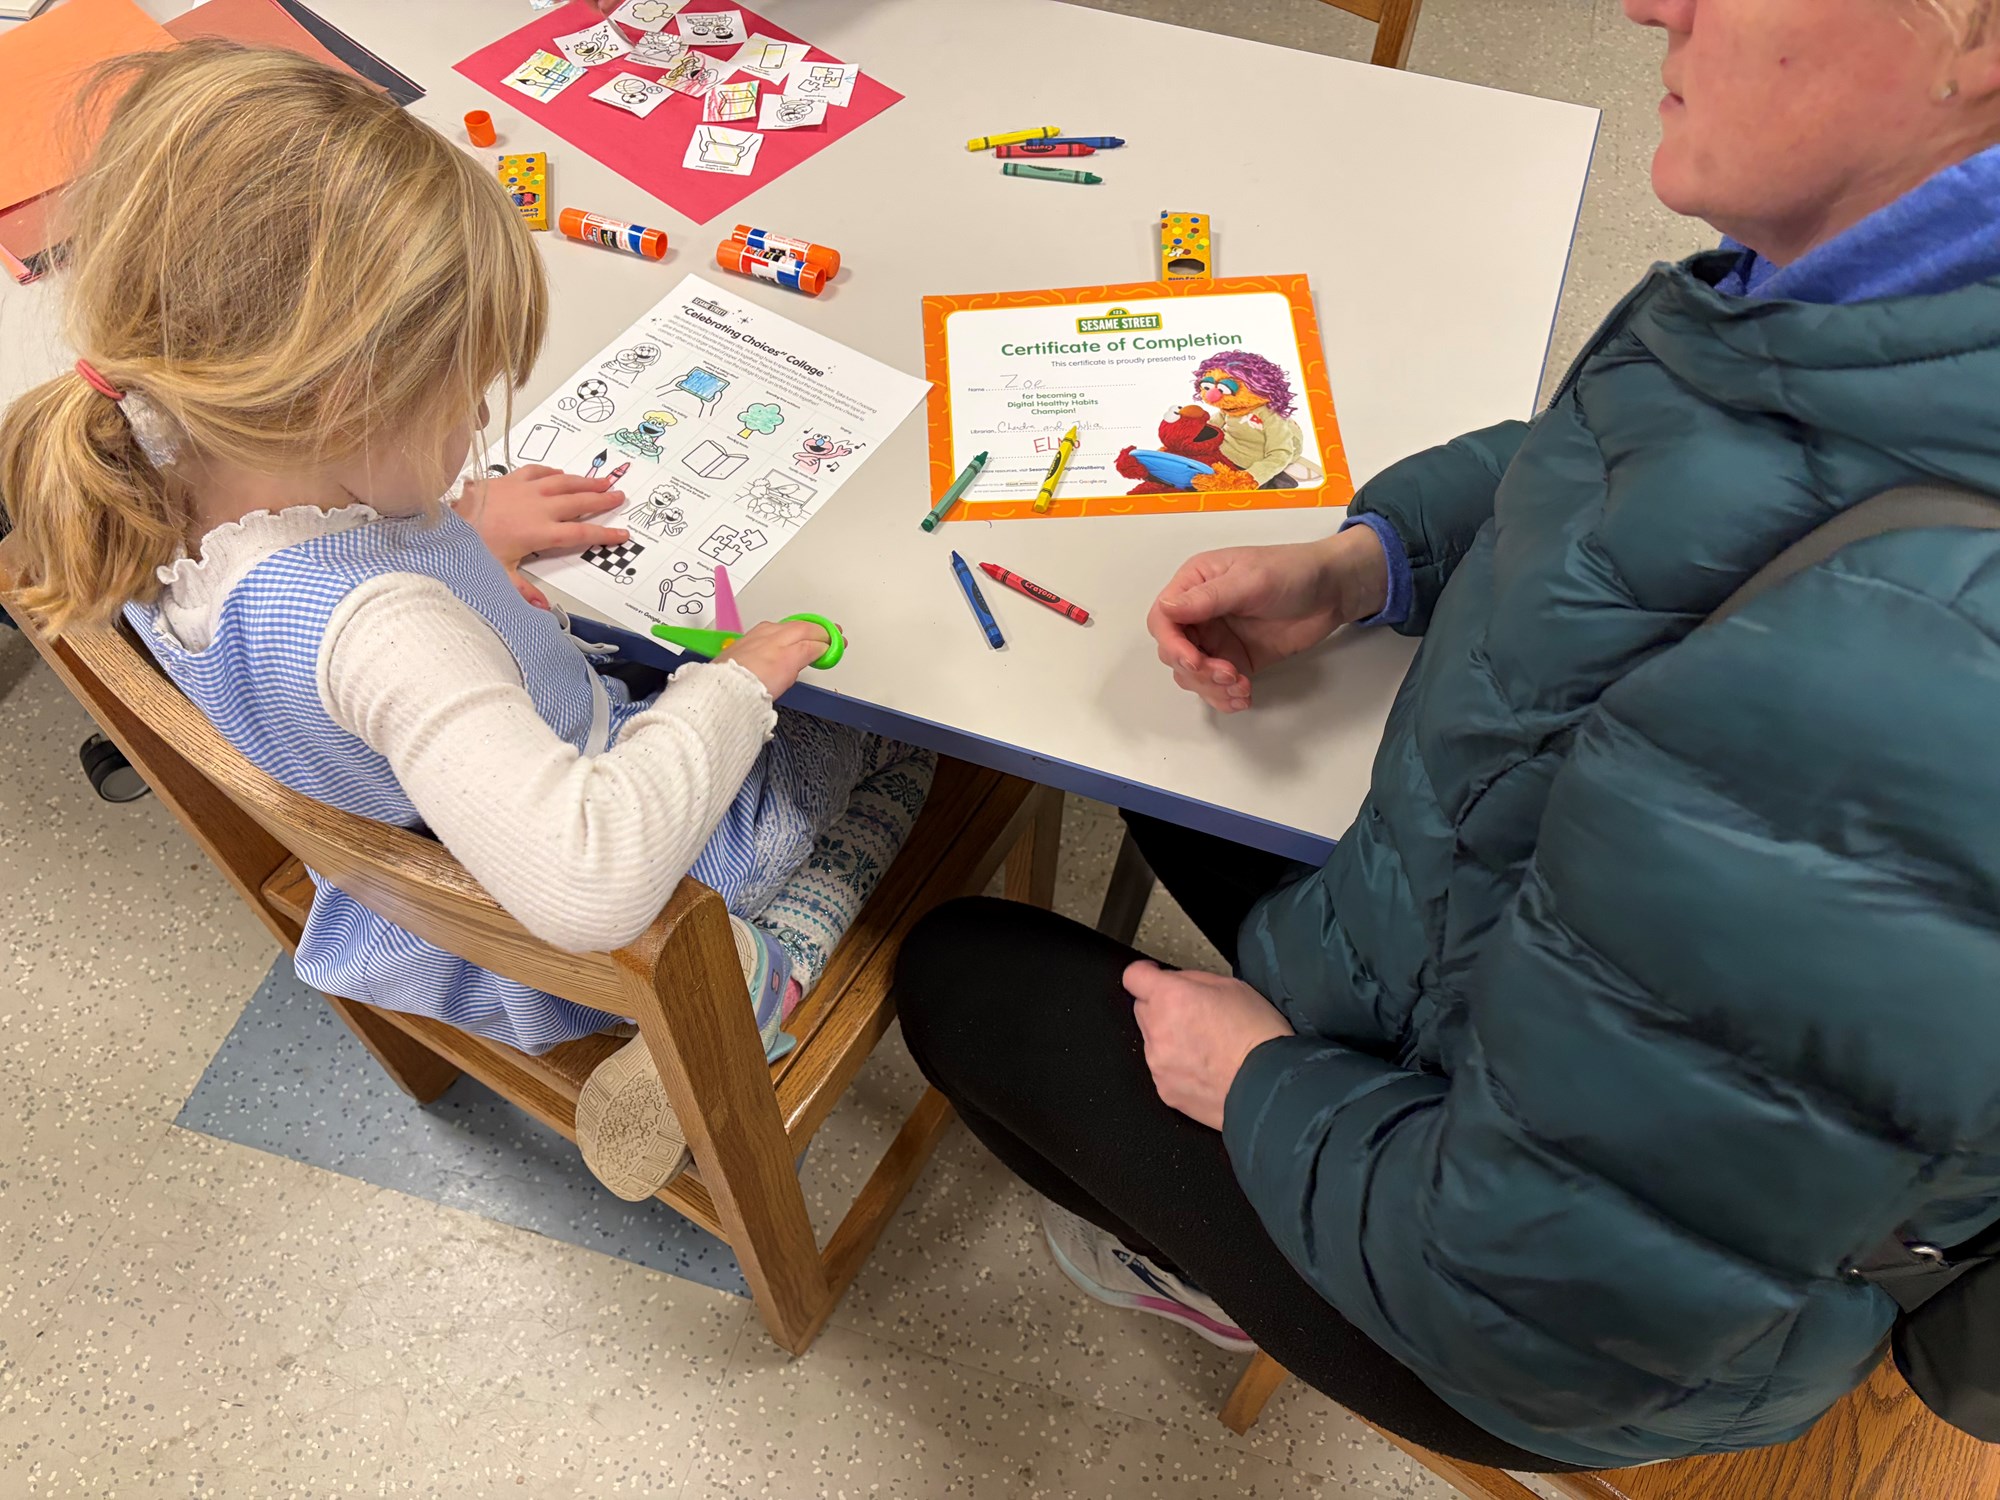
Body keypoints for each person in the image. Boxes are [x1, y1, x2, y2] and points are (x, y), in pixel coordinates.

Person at [896, 0, 2000, 1472]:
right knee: (1155, 764)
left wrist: (1259, 1087)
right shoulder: (1881, 311)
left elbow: (1542, 1305)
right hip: (1526, 1011)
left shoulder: (1905, 696)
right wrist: (1373, 561)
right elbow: (1689, 471)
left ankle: (1225, 1287)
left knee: (957, 975)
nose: (1648, 6)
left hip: (1544, 1322)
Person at [0, 43, 932, 1205]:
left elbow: (343, 579)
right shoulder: (383, 629)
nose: (470, 439)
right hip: (597, 898)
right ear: (348, 401)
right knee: (897, 741)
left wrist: (461, 522)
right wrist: (735, 684)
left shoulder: (142, 452)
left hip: (417, 874)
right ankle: (756, 983)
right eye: (461, 408)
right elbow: (592, 887)